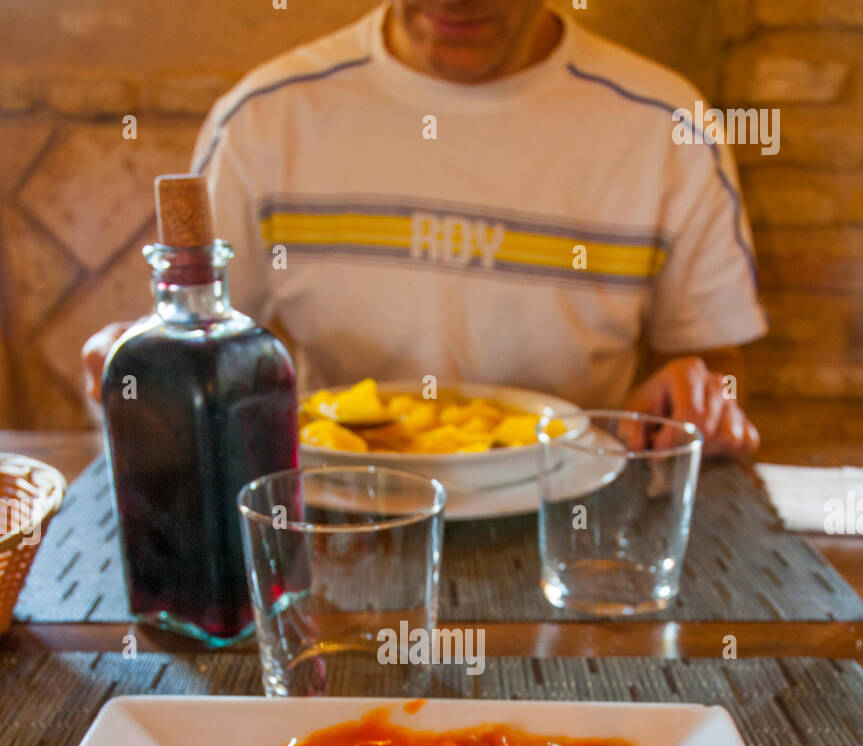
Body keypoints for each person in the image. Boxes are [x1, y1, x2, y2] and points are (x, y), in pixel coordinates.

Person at [85, 1, 765, 458]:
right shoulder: (264, 118)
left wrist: (696, 394)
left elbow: (716, 362)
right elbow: (199, 336)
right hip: (335, 519)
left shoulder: (667, 122)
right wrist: (148, 370)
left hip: (571, 522)